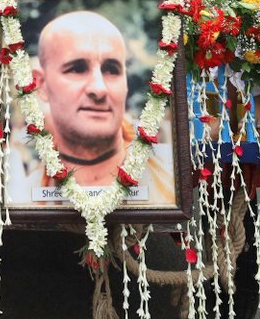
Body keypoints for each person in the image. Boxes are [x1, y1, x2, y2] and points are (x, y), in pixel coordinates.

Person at [10, 11, 174, 204]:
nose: (99, 88)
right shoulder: (22, 200)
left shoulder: (172, 177)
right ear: (41, 85)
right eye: (77, 69)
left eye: (112, 70)